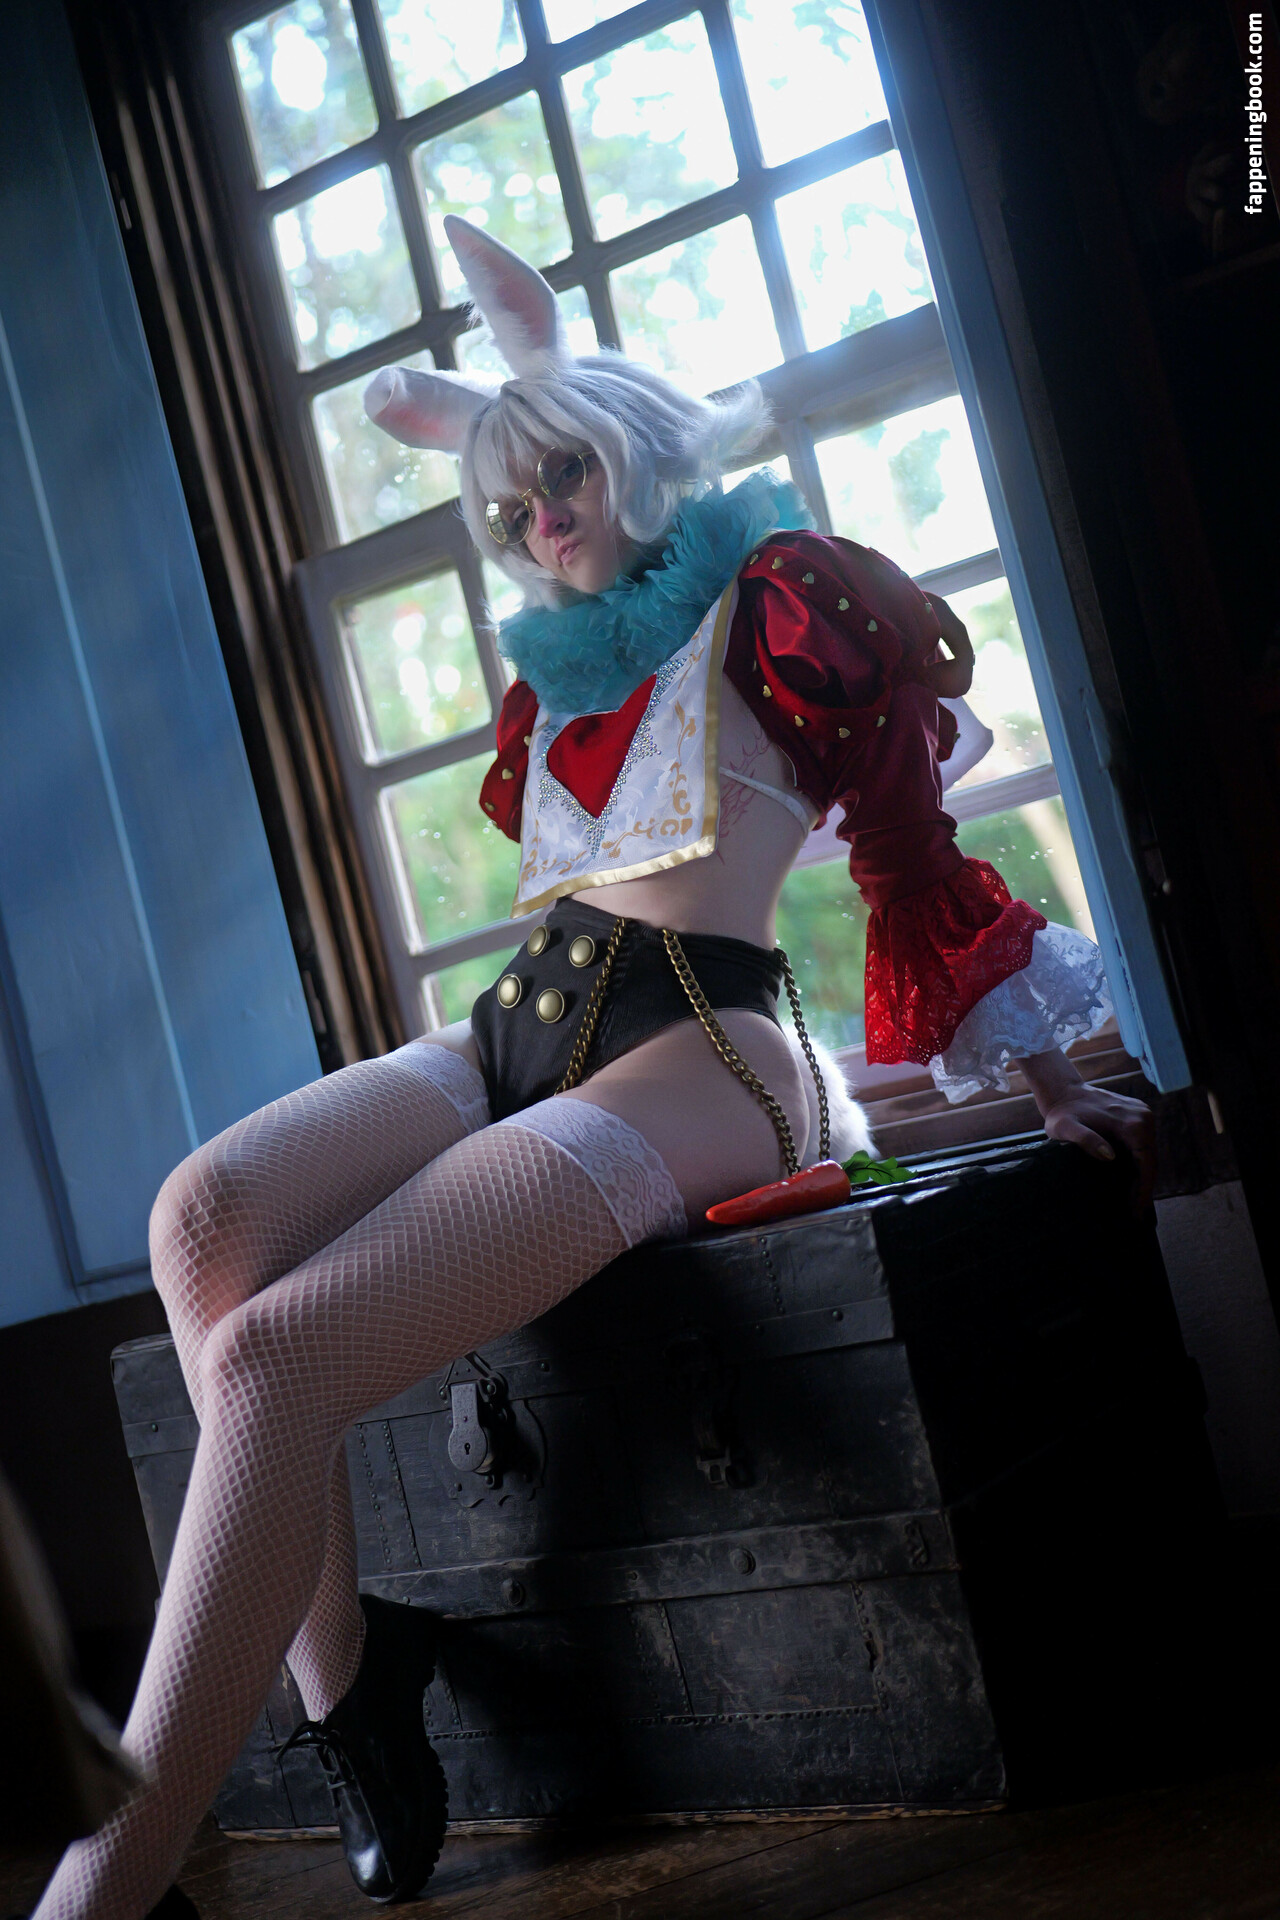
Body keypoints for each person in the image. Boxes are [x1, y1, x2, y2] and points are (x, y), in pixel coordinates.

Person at [31, 218, 1153, 1920]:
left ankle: (102, 1881)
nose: (540, 520)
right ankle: (353, 1696)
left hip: (706, 1040)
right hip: (527, 1021)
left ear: (626, 432)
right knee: (203, 1223)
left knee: (270, 1353)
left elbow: (911, 852)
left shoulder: (792, 596)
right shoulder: (552, 671)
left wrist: (1051, 1077)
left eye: (559, 473)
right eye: (509, 508)